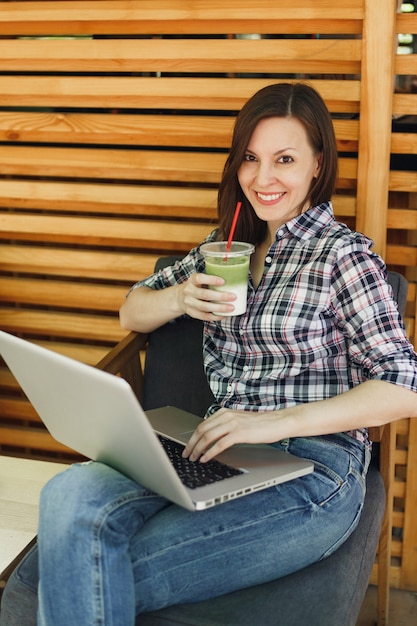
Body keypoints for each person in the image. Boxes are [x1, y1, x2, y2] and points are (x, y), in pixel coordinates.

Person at [1, 82, 416, 626]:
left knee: (63, 575)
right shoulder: (223, 248)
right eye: (250, 158)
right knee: (68, 490)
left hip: (313, 468)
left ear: (318, 164)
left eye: (284, 159)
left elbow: (403, 384)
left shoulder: (343, 256)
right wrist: (178, 297)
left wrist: (271, 422)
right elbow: (131, 312)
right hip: (211, 446)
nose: (262, 178)